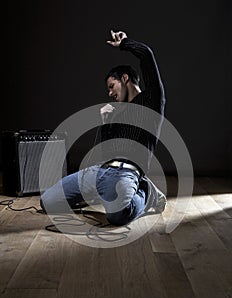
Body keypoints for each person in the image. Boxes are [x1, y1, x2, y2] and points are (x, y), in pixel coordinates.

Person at [40, 30, 167, 226]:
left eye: (111, 85)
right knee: (48, 201)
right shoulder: (117, 113)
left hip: (126, 173)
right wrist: (106, 123)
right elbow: (105, 152)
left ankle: (146, 193)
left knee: (118, 216)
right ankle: (104, 195)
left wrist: (125, 43)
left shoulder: (152, 100)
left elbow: (147, 54)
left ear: (125, 78)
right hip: (99, 172)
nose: (109, 93)